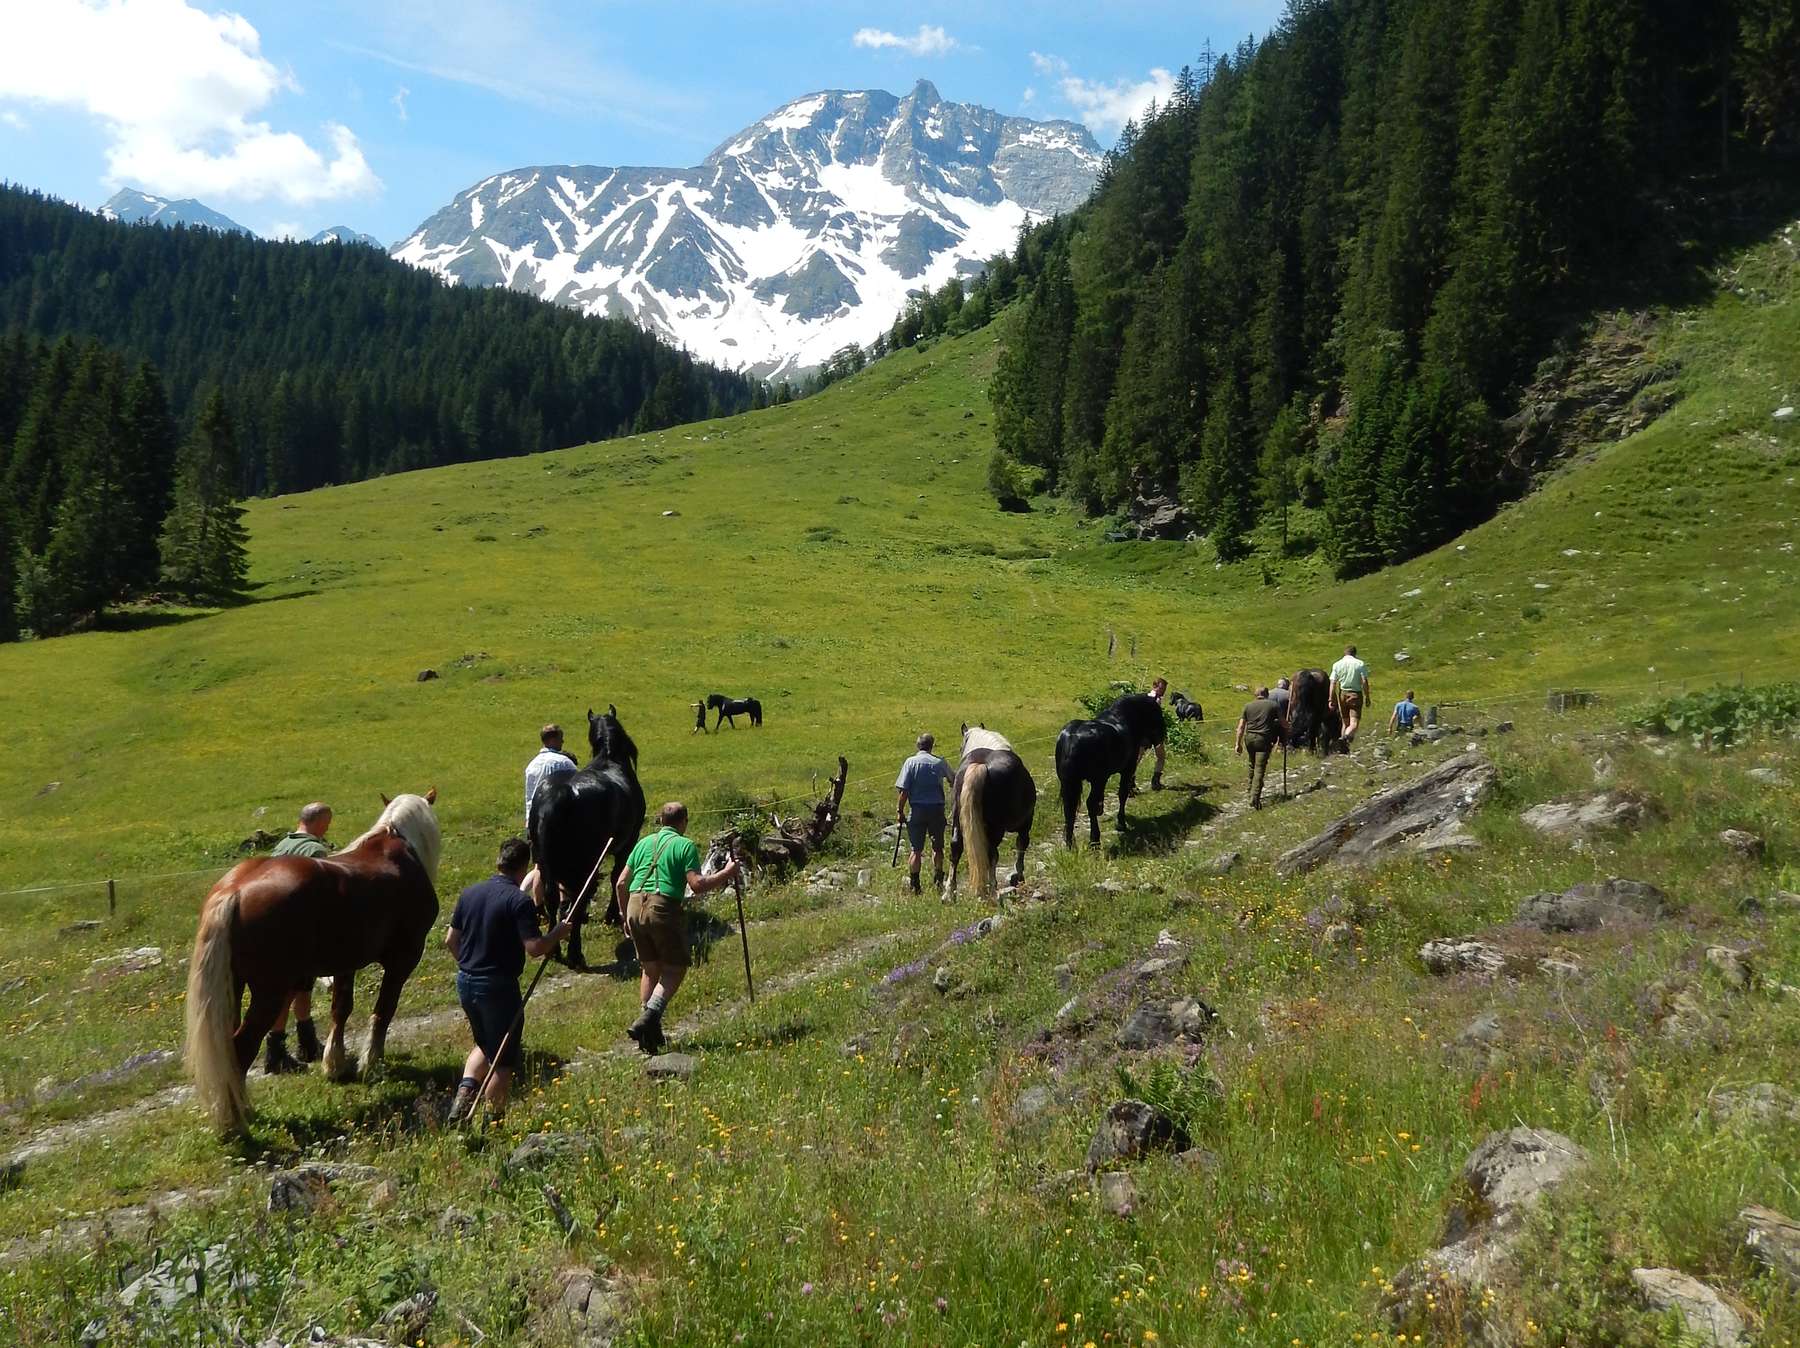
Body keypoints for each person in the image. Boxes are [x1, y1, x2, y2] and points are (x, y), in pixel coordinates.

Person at [444, 837, 573, 1122]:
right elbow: (535, 948)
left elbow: (451, 940)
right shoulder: (518, 901)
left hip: (466, 981)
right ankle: (495, 1121)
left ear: (499, 861)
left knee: (485, 1044)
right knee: (503, 1059)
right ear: (524, 867)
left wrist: (470, 966)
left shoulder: (469, 893)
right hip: (498, 987)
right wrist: (558, 934)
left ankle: (463, 1100)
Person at [615, 803, 740, 1055]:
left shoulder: (642, 844)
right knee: (674, 969)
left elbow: (620, 883)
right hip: (662, 906)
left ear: (661, 821)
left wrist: (623, 914)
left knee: (650, 969)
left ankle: (649, 1032)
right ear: (683, 821)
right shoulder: (684, 845)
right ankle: (650, 1016)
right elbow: (697, 885)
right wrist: (727, 873)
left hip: (634, 905)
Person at [262, 802, 332, 1074]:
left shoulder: (281, 846)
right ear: (320, 823)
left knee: (302, 987)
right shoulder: (314, 850)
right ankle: (276, 1050)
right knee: (290, 989)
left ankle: (307, 1040)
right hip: (300, 929)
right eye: (327, 823)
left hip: (278, 925)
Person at [895, 733, 954, 893]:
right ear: (931, 746)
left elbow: (904, 791)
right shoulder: (939, 762)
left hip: (917, 810)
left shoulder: (910, 763)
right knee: (938, 848)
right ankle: (938, 880)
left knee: (916, 849)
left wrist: (900, 811)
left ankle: (915, 885)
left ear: (917, 745)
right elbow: (953, 780)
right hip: (936, 810)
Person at [1234, 687, 1284, 809]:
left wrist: (1237, 743)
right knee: (1259, 768)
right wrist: (1288, 727)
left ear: (1256, 695)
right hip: (1264, 739)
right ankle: (1254, 797)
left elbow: (1241, 727)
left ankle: (1250, 789)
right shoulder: (1273, 705)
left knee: (1251, 764)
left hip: (1249, 739)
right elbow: (1282, 722)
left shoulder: (1248, 706)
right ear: (1267, 694)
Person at [523, 723, 576, 831]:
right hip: (558, 820)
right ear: (552, 740)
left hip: (534, 821)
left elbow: (529, 796)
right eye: (560, 738)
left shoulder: (532, 765)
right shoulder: (564, 763)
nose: (562, 741)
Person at [1330, 644, 1372, 748]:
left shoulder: (1337, 664)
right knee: (1354, 723)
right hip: (1355, 694)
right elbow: (1364, 681)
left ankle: (1342, 747)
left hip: (1343, 694)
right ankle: (1345, 738)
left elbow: (1333, 683)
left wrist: (1331, 698)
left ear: (1345, 653)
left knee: (1345, 722)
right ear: (1355, 653)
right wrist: (1367, 696)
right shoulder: (1359, 664)